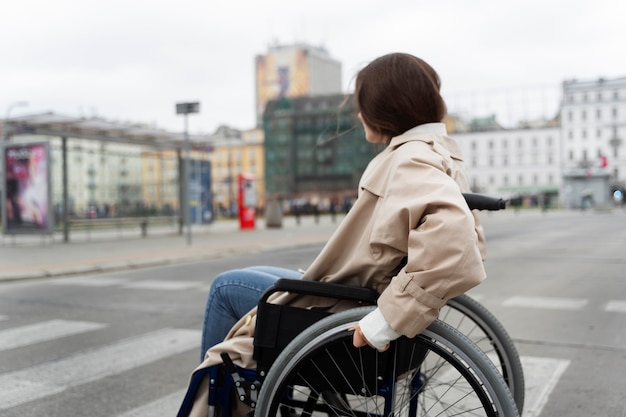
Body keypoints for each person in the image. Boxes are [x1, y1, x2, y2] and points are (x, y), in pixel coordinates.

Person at [178, 52, 487, 416]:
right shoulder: (438, 153)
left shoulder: (410, 159)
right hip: (360, 291)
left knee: (225, 288)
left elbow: (453, 238)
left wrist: (388, 318)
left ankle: (223, 402)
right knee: (259, 277)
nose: (358, 115)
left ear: (386, 108)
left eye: (362, 105)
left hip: (347, 305)